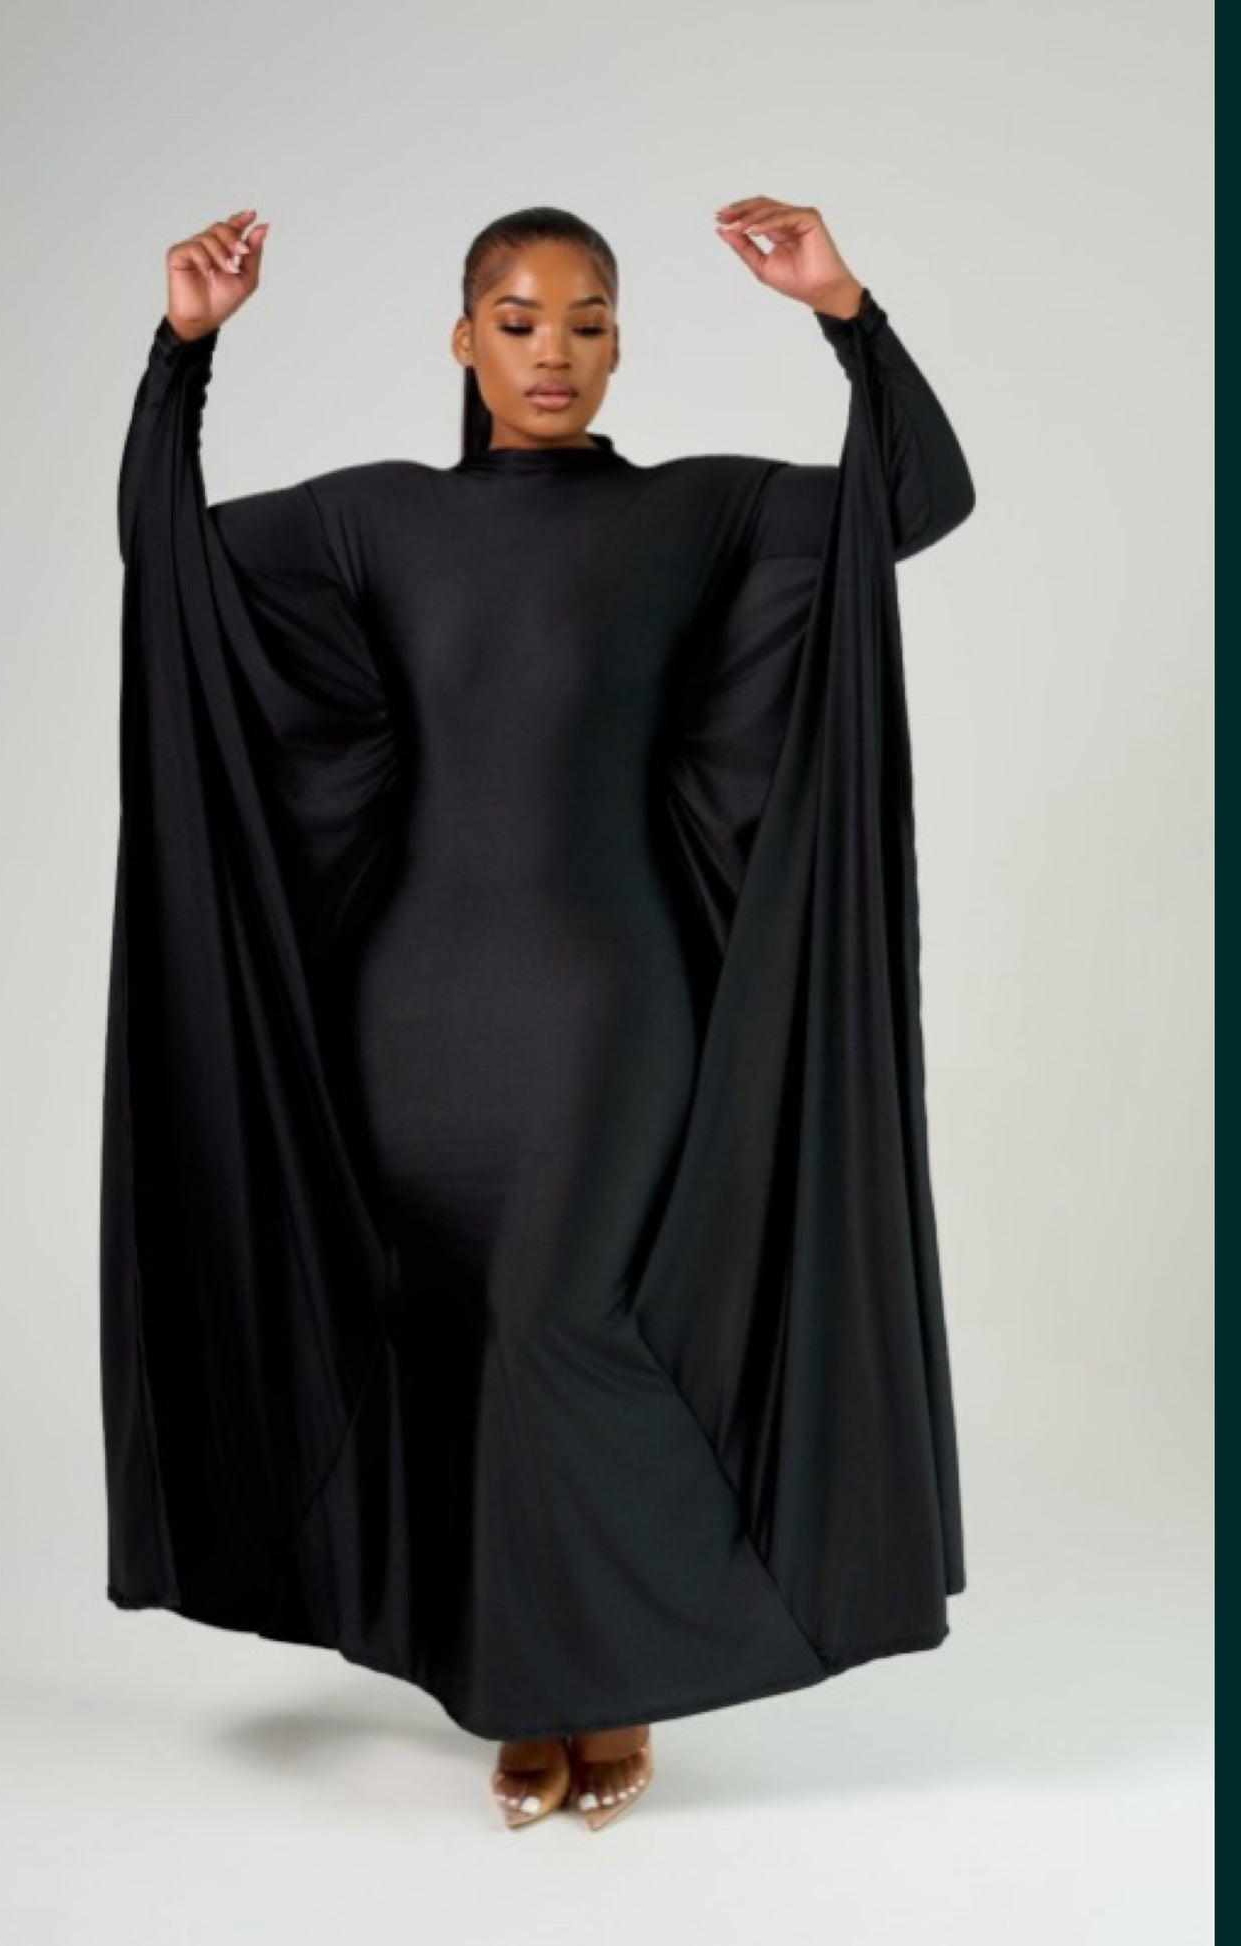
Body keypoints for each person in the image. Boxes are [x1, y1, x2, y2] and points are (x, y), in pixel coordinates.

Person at [102, 200, 977, 1832]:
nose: (551, 351)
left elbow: (915, 497)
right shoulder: (373, 519)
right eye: (516, 321)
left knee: (559, 1316)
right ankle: (516, 1680)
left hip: (607, 993)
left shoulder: (697, 512)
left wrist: (843, 309)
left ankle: (598, 1680)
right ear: (463, 340)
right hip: (408, 1005)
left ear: (620, 343)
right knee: (455, 1335)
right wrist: (184, 354)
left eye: (584, 322)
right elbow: (167, 556)